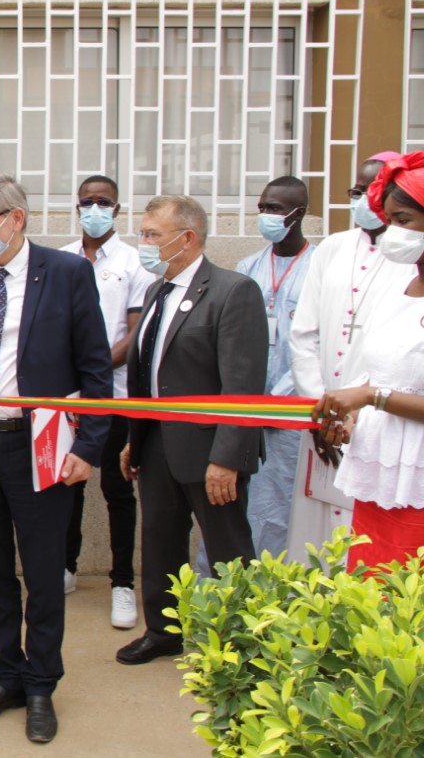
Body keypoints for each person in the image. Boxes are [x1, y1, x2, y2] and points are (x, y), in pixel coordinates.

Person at [0, 175, 113, 744]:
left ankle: (41, 685)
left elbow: (95, 370)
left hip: (42, 447)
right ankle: (6, 675)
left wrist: (89, 449)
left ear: (18, 219)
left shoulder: (66, 275)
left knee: (41, 573)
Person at [116, 196, 268, 667]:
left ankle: (244, 641)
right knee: (160, 541)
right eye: (142, 233)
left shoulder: (232, 291)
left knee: (228, 549)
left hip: (210, 450)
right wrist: (134, 439)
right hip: (159, 442)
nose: (143, 243)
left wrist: (227, 457)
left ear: (188, 238)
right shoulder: (160, 290)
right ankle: (163, 631)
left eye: (151, 235)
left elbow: (242, 385)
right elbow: (149, 375)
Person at [288, 153, 414, 557]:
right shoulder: (336, 251)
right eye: (357, 192)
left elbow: (389, 373)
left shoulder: (405, 266)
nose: (391, 230)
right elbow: (304, 333)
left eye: (403, 219)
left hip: (401, 446)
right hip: (343, 422)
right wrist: (328, 406)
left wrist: (363, 401)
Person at [58, 174, 146, 629]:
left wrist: (87, 372)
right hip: (68, 398)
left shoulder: (134, 263)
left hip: (113, 396)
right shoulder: (60, 260)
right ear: (77, 207)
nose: (95, 208)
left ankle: (121, 584)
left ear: (117, 208)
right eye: (87, 202)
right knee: (68, 484)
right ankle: (66, 567)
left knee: (116, 488)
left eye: (104, 202)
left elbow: (132, 337)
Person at [220, 177, 312, 564]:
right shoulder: (248, 267)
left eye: (275, 209)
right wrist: (246, 399)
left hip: (290, 412)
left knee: (279, 505)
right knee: (233, 503)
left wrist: (278, 399)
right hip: (246, 409)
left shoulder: (319, 268)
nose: (266, 217)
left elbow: (315, 344)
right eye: (262, 208)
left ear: (299, 213)